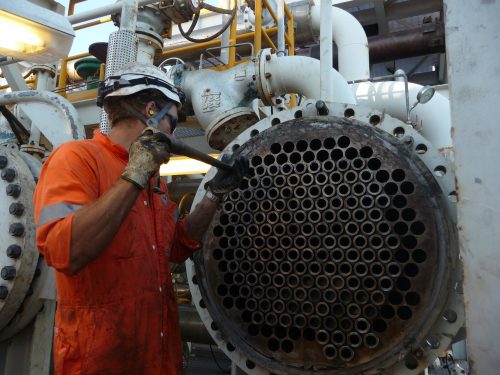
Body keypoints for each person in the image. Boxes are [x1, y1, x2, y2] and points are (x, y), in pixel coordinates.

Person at [33, 62, 248, 375]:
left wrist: (214, 195)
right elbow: (66, 249)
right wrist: (134, 174)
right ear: (151, 111)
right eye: (171, 123)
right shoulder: (76, 159)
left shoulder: (154, 181)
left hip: (156, 356)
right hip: (101, 360)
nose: (173, 136)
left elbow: (177, 247)